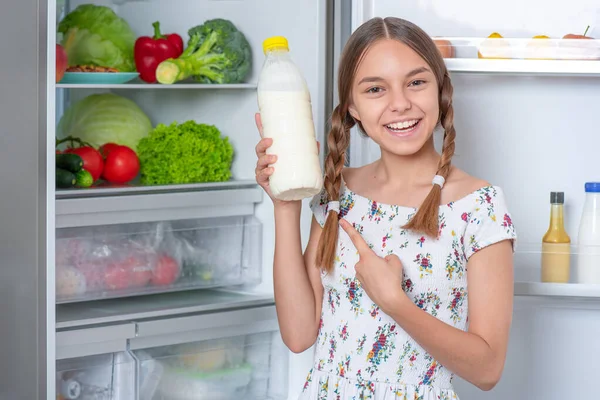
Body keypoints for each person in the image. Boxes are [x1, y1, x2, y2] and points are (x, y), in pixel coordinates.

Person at [254, 16, 517, 400]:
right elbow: (298, 335)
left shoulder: (480, 207)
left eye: (416, 82)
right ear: (353, 108)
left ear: (441, 91)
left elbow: (488, 369)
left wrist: (394, 302)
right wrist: (285, 206)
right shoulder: (337, 193)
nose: (400, 104)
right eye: (375, 89)